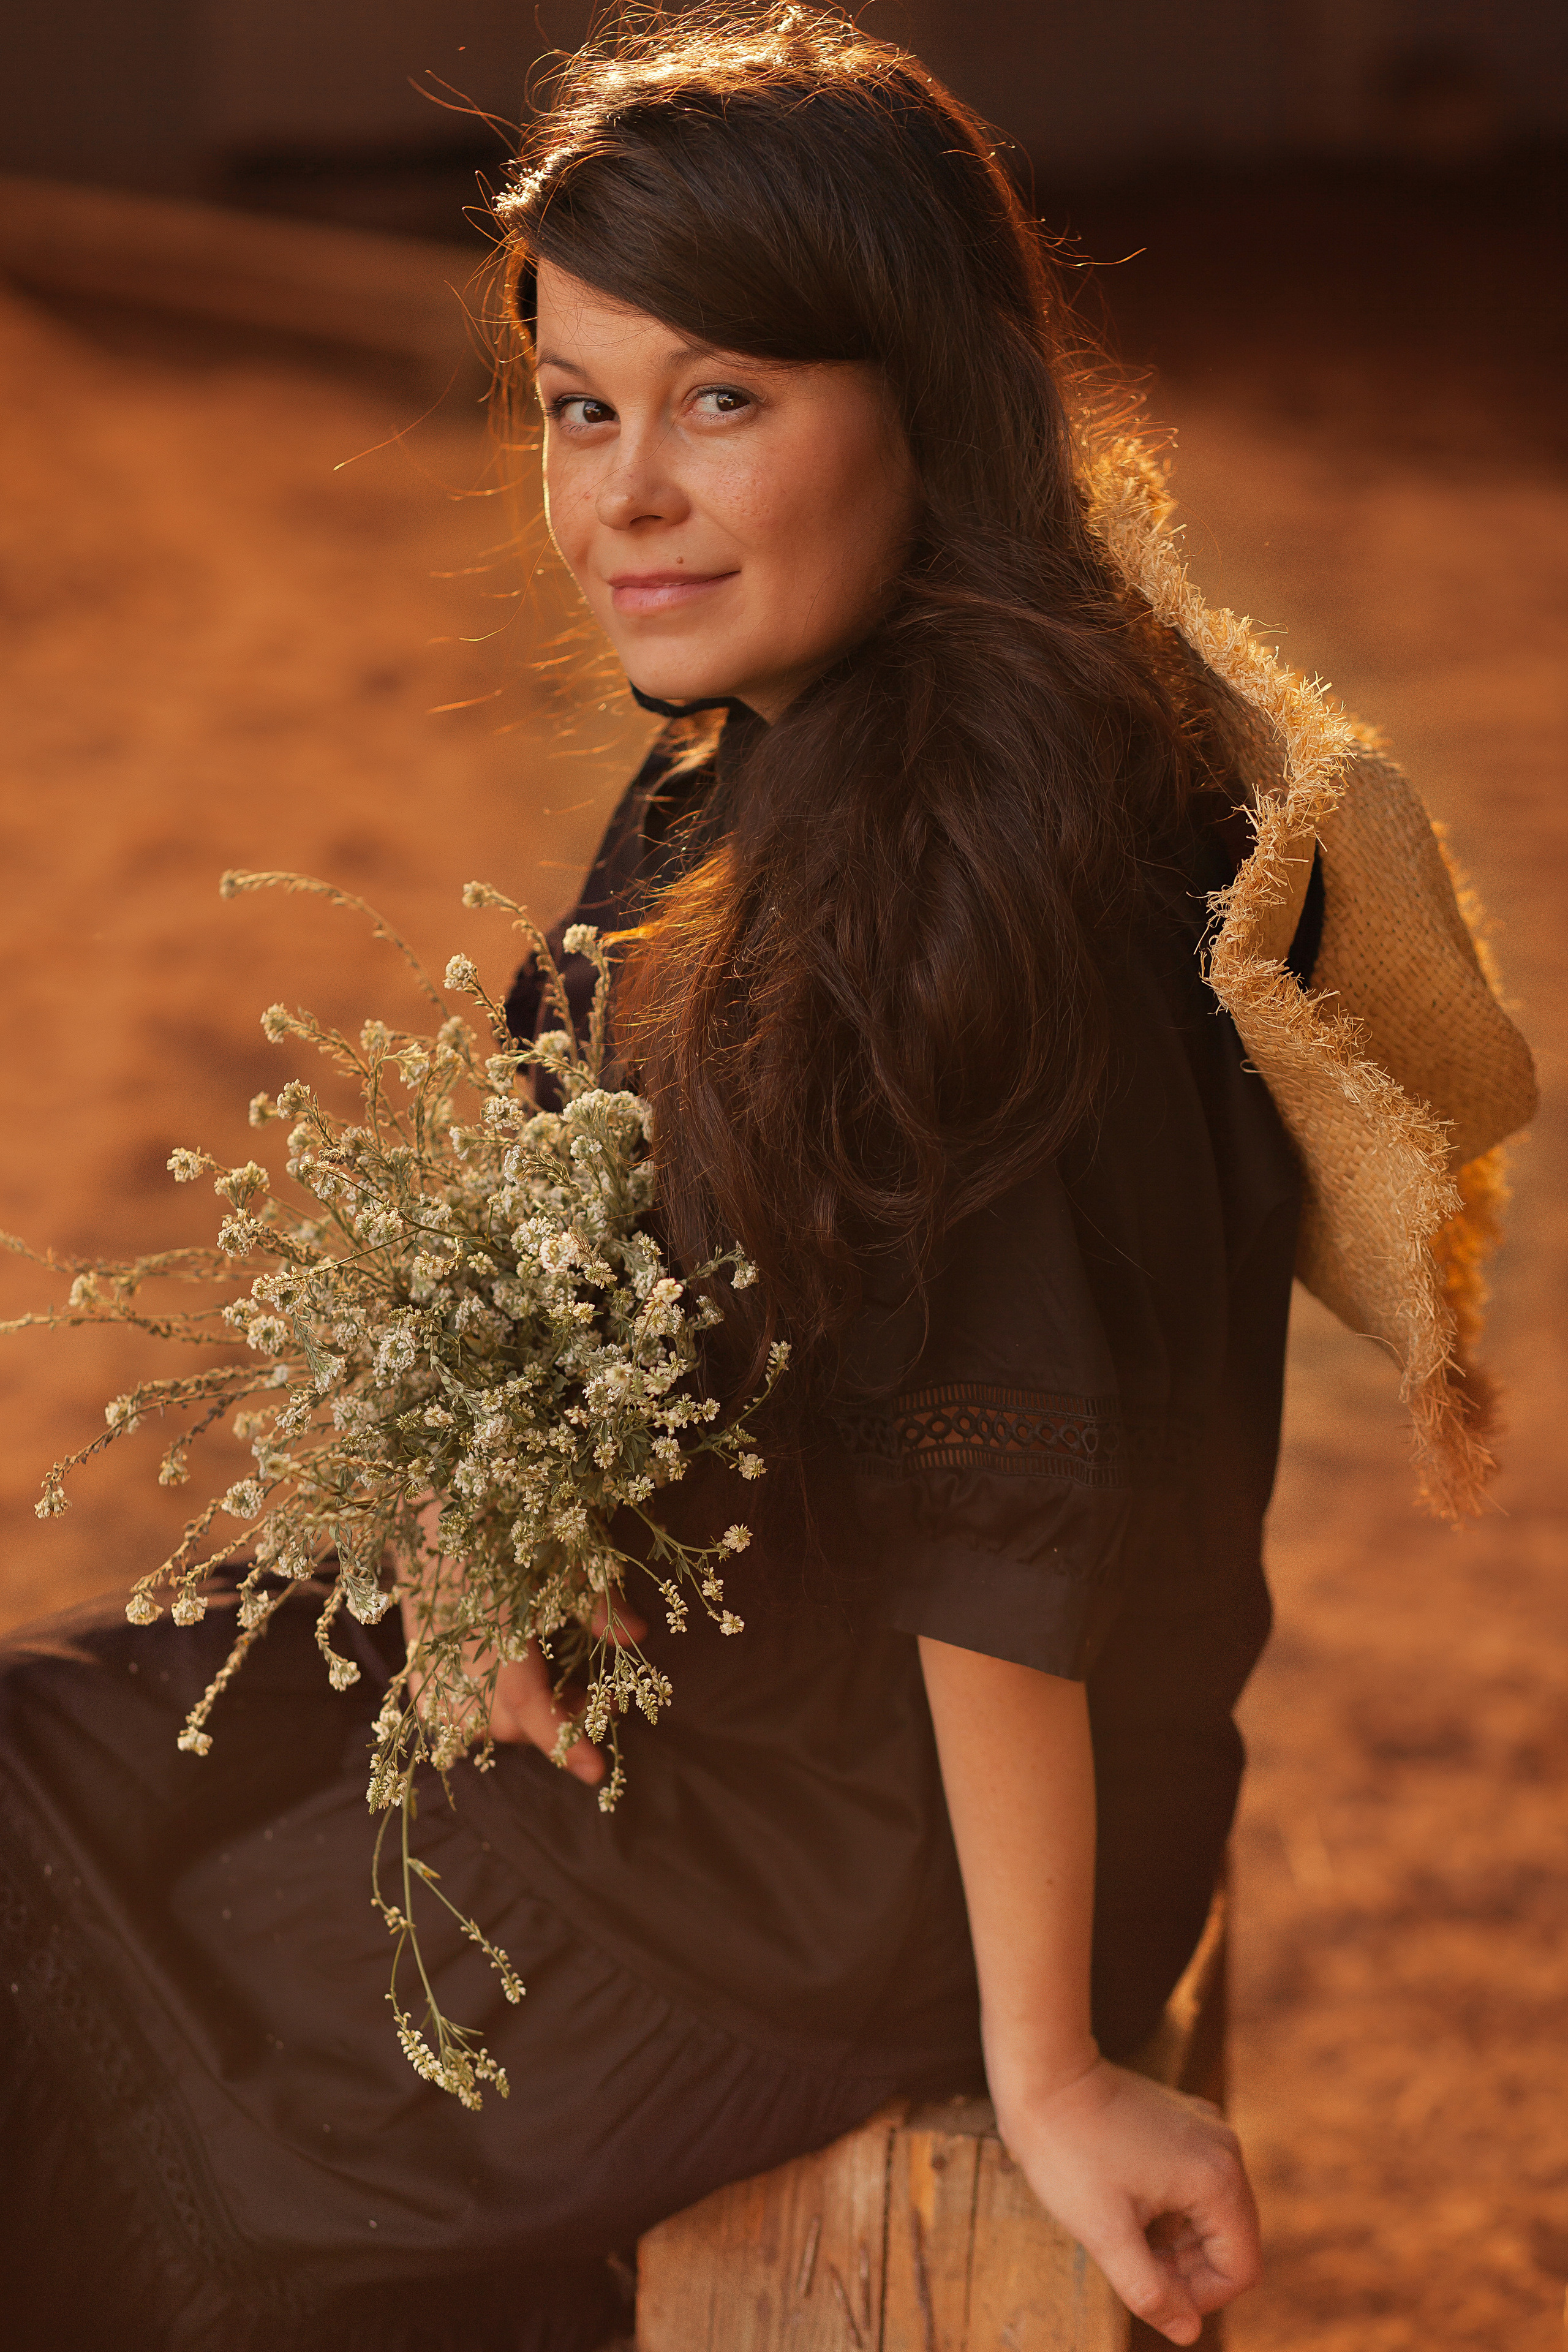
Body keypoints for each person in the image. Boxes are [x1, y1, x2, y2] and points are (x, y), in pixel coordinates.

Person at [0, 9, 1535, 2351]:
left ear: (931, 401)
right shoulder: (783, 754)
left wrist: (1045, 2065)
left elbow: (998, 1540)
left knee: (149, 2097)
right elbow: (600, 1241)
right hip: (728, 1667)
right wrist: (474, 1536)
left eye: (720, 400)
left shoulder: (977, 889)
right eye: (577, 407)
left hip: (848, 1858)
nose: (624, 495)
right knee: (49, 1775)